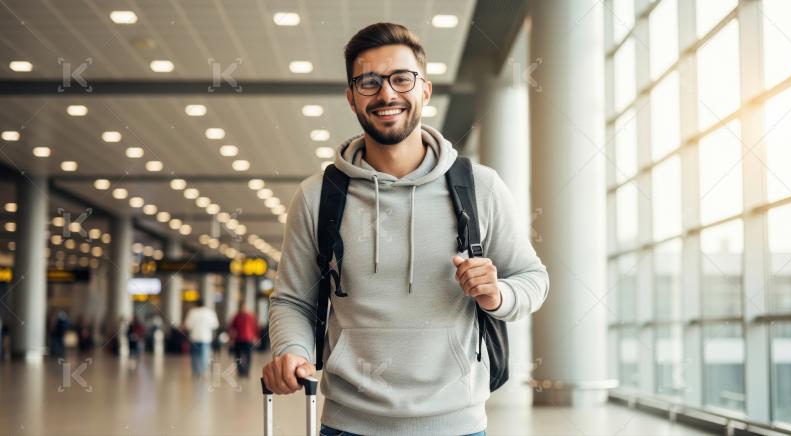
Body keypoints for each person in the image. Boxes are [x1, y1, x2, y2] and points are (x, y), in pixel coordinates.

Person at [262, 23, 550, 436]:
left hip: (458, 425)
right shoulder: (317, 196)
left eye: (401, 79)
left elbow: (533, 278)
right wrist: (292, 351)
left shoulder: (480, 187)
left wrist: (497, 294)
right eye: (369, 82)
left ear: (425, 91)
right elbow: (293, 300)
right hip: (348, 424)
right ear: (351, 97)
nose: (386, 94)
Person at [183, 299, 219, 378]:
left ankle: (196, 372)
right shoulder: (209, 312)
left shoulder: (192, 312)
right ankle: (203, 371)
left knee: (195, 355)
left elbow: (187, 325)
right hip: (206, 337)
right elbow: (215, 325)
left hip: (194, 337)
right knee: (204, 355)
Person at [228, 301, 258, 377]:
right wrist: (231, 339)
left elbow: (255, 327)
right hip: (238, 339)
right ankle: (240, 371)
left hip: (248, 339)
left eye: (244, 307)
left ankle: (246, 371)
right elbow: (232, 327)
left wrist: (255, 337)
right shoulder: (236, 316)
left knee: (248, 356)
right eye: (242, 307)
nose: (243, 309)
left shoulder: (250, 316)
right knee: (238, 356)